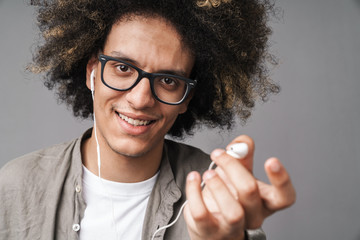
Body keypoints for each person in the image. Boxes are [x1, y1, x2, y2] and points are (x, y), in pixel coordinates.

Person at [0, 0, 296, 239]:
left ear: (187, 99)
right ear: (92, 72)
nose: (140, 99)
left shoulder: (218, 193)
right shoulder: (15, 186)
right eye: (123, 69)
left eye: (168, 80)